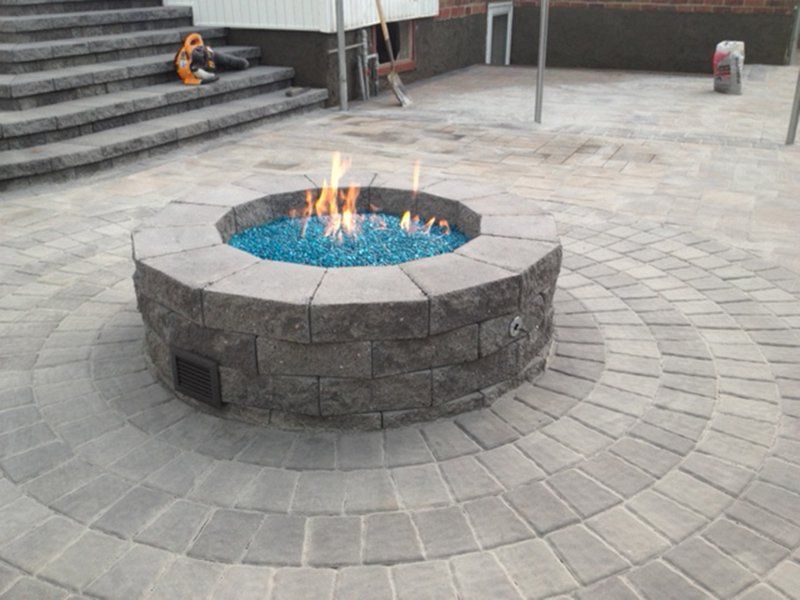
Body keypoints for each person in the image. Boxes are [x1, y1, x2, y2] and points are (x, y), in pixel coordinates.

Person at [174, 33, 250, 85]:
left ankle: (241, 63)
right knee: (224, 60)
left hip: (209, 57)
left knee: (227, 59)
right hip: (203, 66)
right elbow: (191, 79)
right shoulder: (187, 67)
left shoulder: (202, 51)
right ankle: (241, 63)